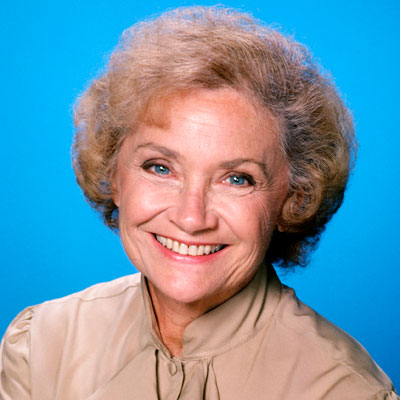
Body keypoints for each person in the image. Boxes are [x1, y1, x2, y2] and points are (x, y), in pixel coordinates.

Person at [0, 6, 398, 400]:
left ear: (292, 200)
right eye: (160, 168)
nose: (191, 218)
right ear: (114, 176)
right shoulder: (40, 345)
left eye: (237, 179)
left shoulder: (343, 390)